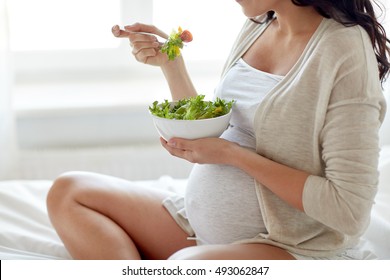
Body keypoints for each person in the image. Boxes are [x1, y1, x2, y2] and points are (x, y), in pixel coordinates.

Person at [46, 0, 389, 260]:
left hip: (288, 245)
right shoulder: (259, 24)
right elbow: (221, 135)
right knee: (69, 192)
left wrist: (234, 156)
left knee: (183, 266)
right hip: (197, 225)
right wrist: (172, 65)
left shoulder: (344, 48)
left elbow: (350, 210)